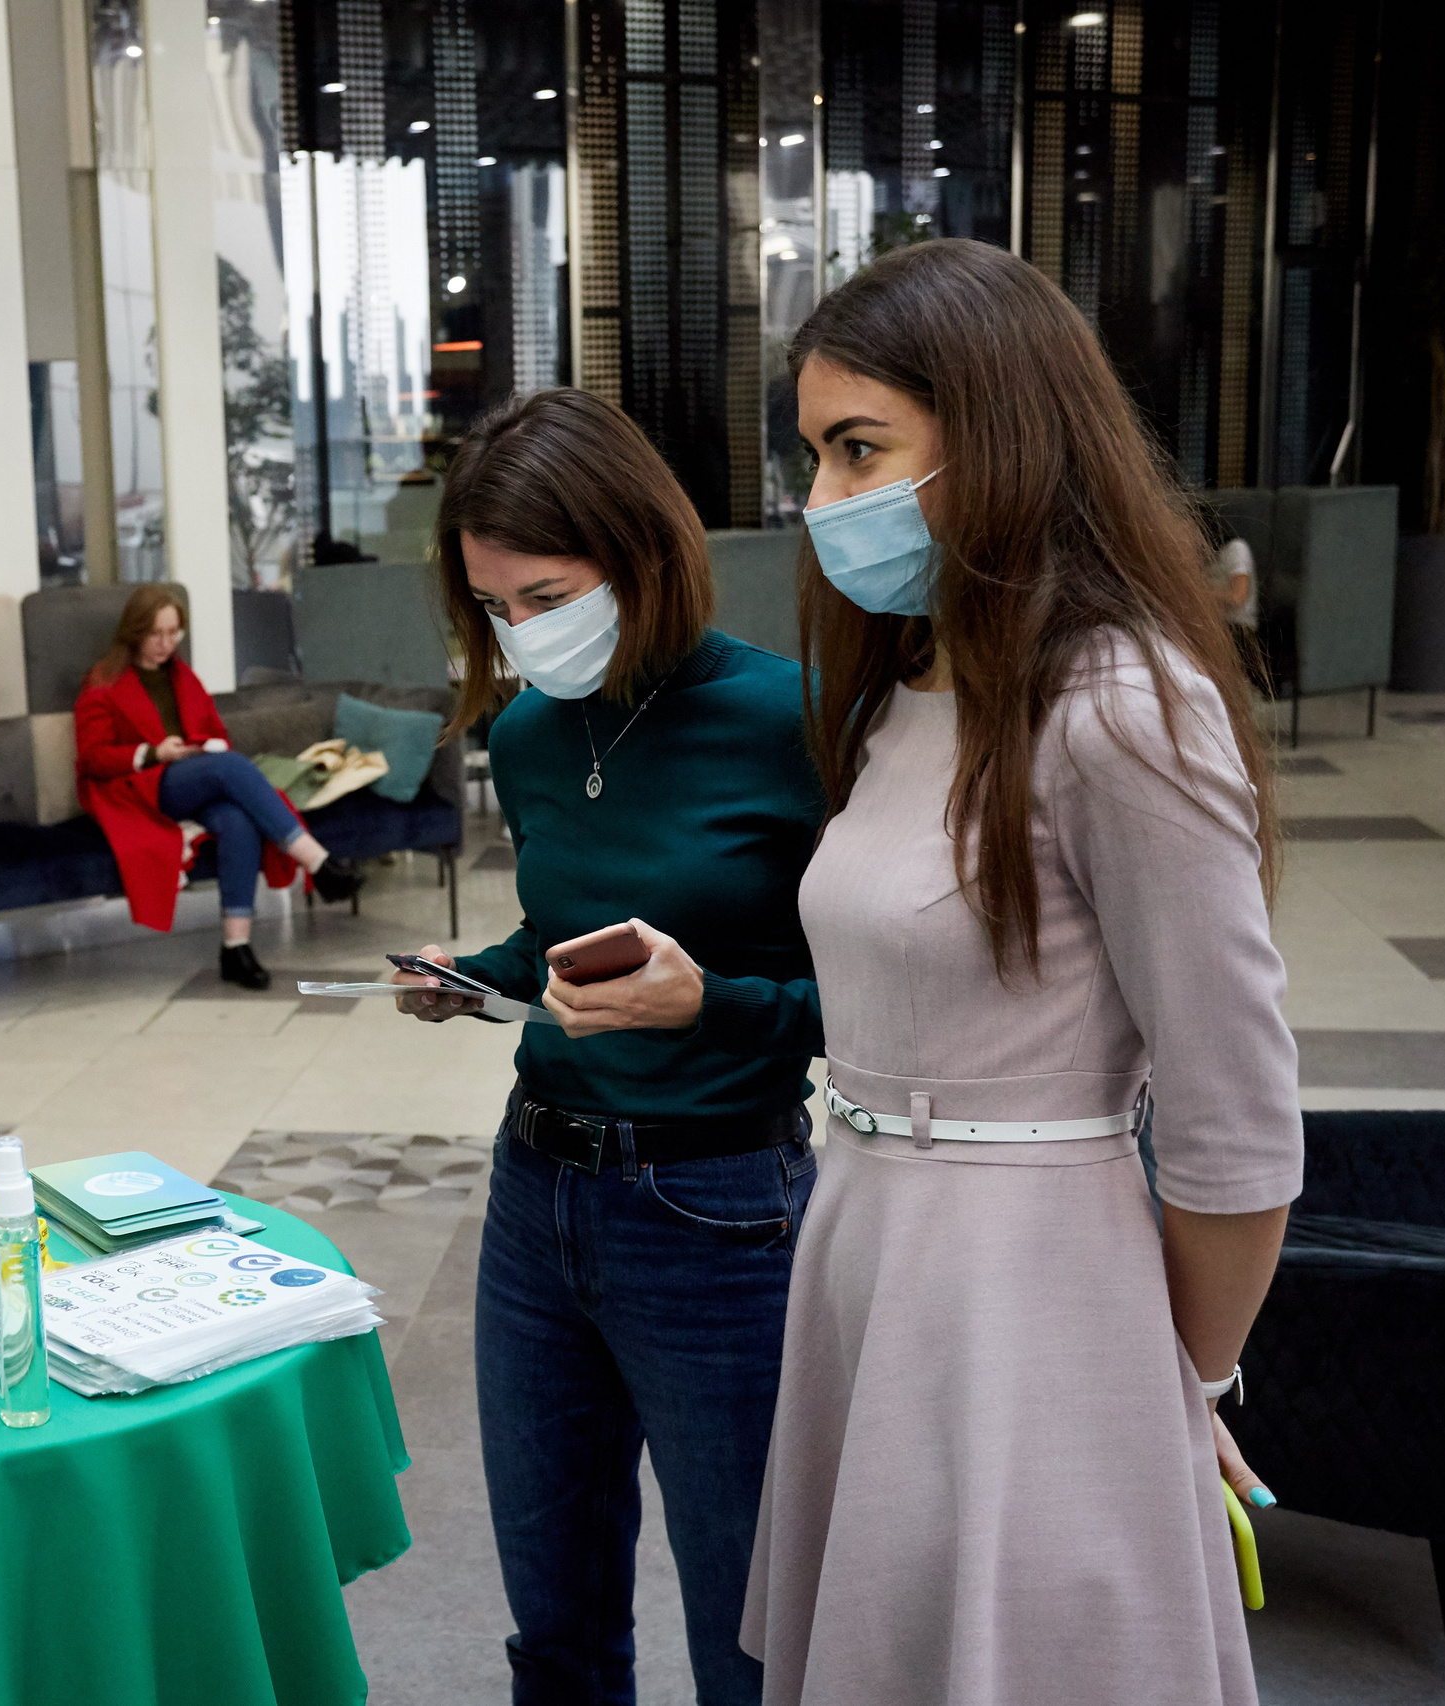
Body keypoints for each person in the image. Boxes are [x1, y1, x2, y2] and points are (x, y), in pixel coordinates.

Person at [739, 239, 1298, 1706]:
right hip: (865, 1241)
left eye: (861, 449)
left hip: (1030, 1289)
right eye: (816, 454)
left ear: (995, 434)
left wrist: (1182, 1380)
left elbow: (1237, 1123)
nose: (824, 498)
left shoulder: (1118, 704)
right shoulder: (912, 683)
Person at [386, 388, 825, 1705]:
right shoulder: (529, 731)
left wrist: (714, 1006)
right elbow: (562, 933)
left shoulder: (793, 719)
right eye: (494, 606)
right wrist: (476, 979)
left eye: (547, 595)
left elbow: (894, 999)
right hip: (537, 1198)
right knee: (556, 1618)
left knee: (749, 1627)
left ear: (642, 551)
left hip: (718, 1208)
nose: (523, 633)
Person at [74, 583, 359, 988]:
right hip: (143, 787)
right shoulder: (103, 682)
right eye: (156, 634)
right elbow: (92, 757)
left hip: (192, 777)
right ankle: (317, 862)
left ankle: (235, 947)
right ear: (135, 632)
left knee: (237, 820)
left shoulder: (183, 677)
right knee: (231, 767)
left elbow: (215, 733)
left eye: (173, 633)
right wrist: (153, 752)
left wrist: (203, 747)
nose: (166, 644)